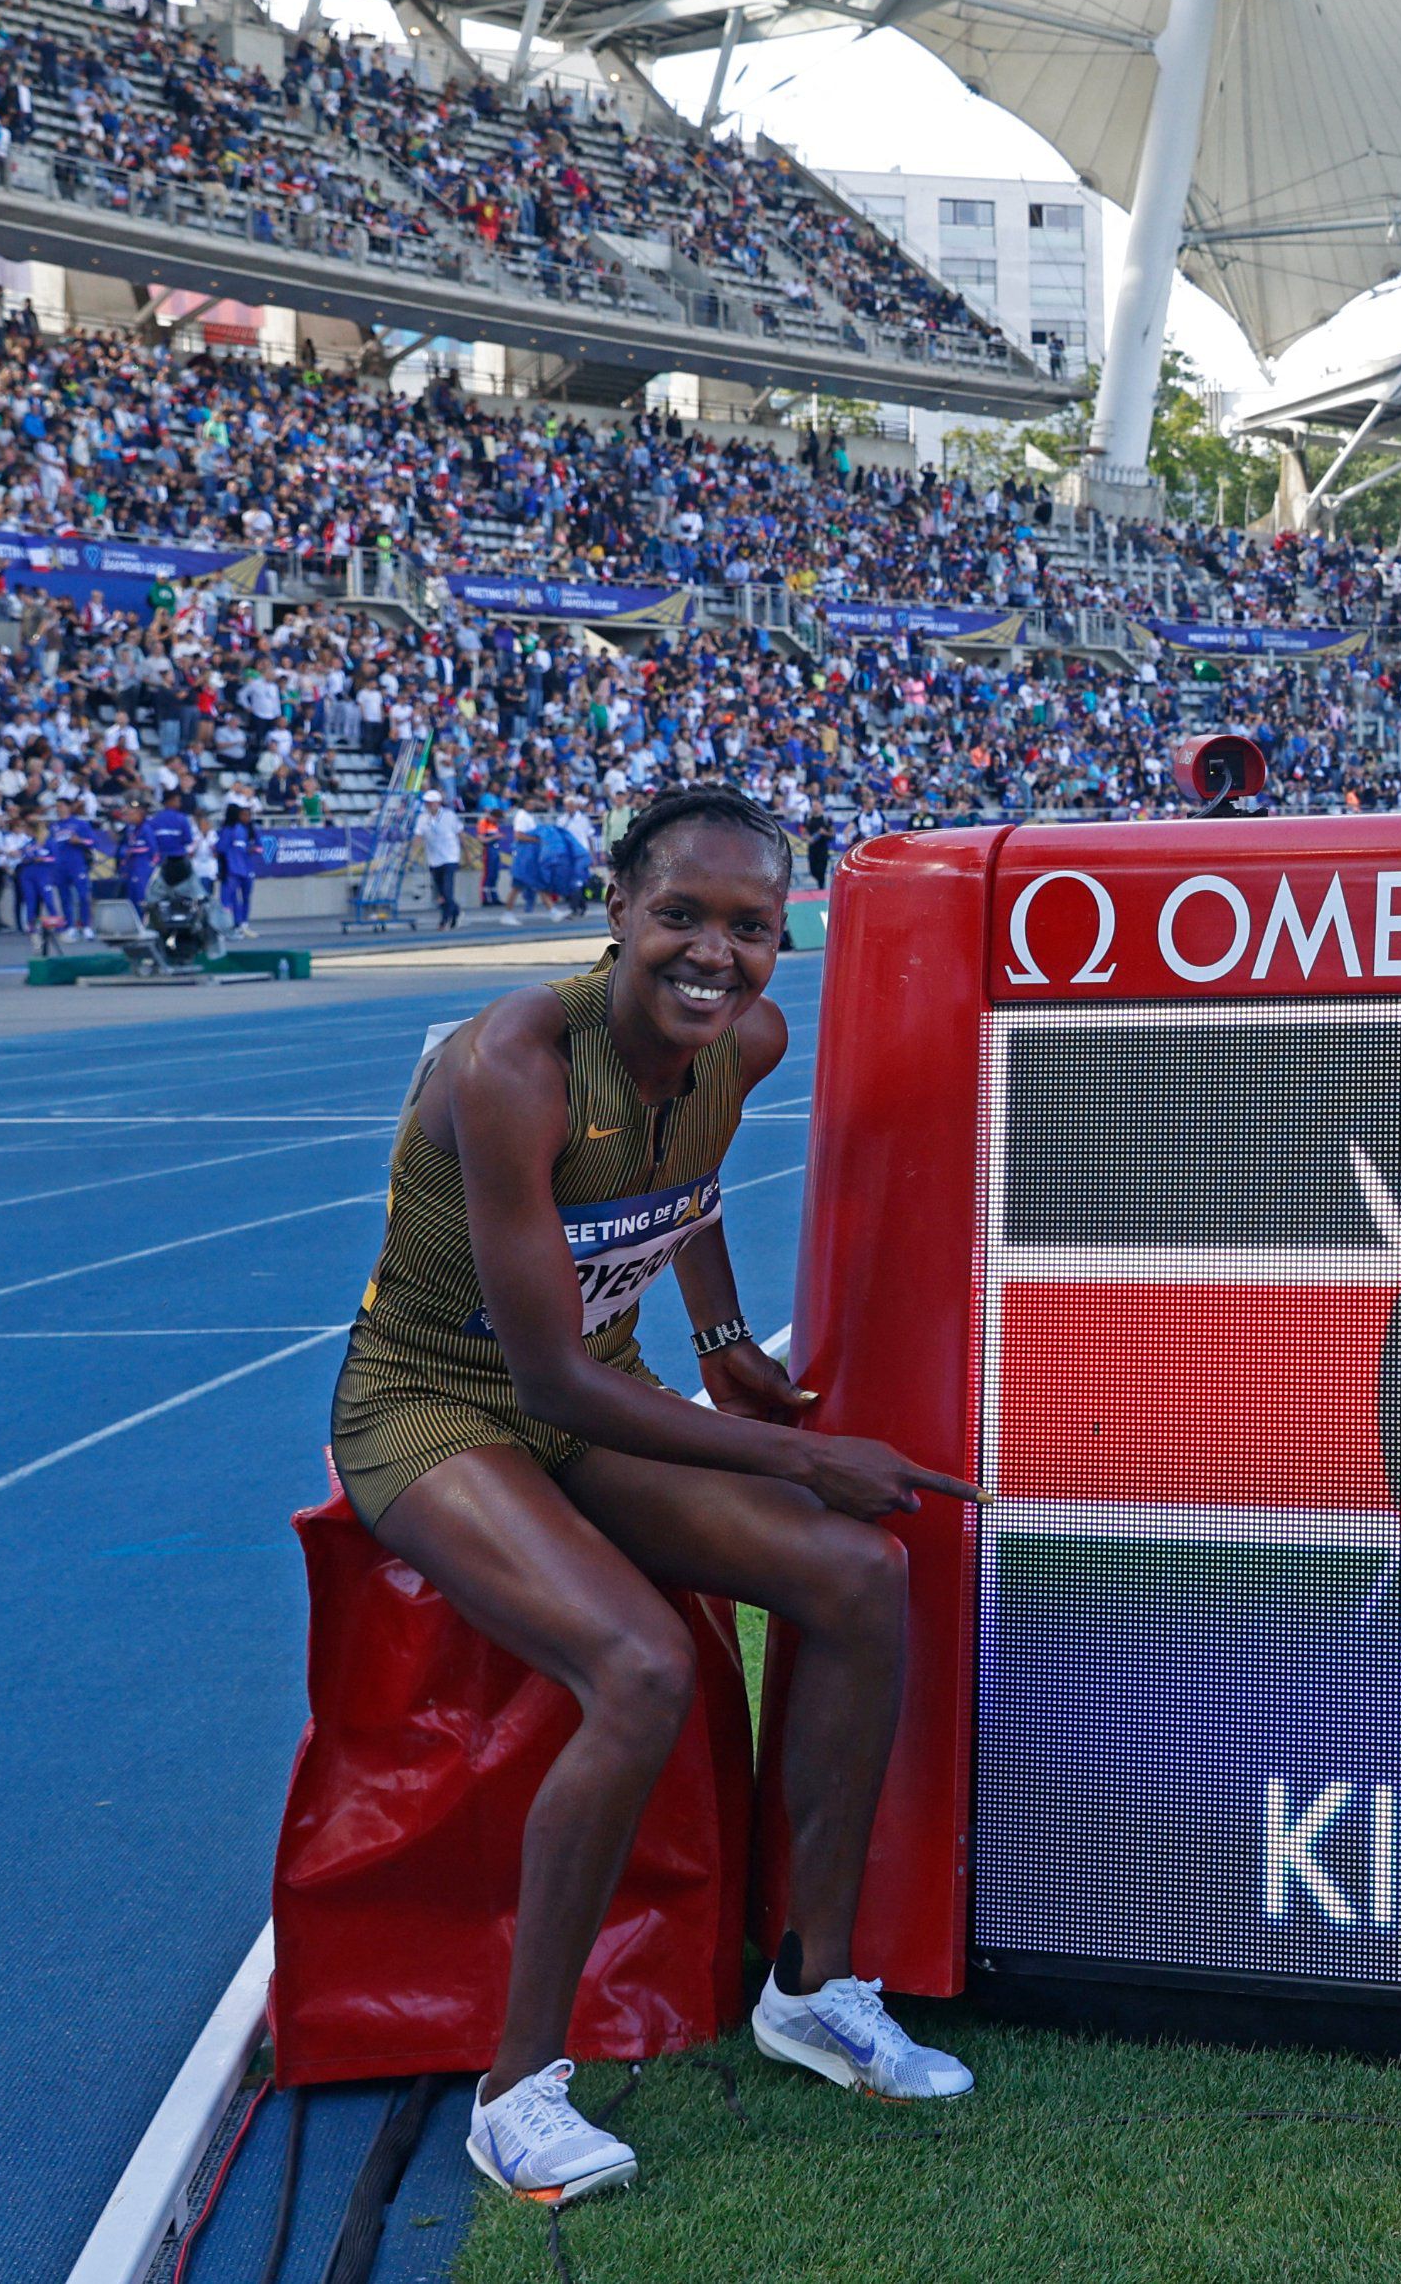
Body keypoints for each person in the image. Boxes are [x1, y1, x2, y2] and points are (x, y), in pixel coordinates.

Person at [332, 789, 976, 2209]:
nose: (714, 952)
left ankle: (811, 1986)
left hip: (596, 1385)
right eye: (680, 914)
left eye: (750, 926)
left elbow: (678, 1186)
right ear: (617, 908)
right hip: (441, 1405)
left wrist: (728, 1339)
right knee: (634, 1663)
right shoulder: (514, 1063)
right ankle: (515, 2095)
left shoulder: (745, 1039)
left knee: (861, 1579)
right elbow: (549, 1383)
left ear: (781, 942)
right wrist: (806, 1452)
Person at [416, 789, 464, 932]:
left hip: (450, 856)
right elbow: (418, 836)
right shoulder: (423, 818)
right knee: (441, 893)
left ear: (438, 802)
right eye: (427, 803)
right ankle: (456, 912)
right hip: (434, 858)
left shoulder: (449, 816)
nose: (429, 805)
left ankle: (445, 921)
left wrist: (465, 853)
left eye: (431, 802)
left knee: (447, 891)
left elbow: (460, 833)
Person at [213, 803, 261, 936]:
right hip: (235, 869)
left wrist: (252, 849)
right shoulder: (231, 830)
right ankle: (236, 925)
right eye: (243, 815)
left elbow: (259, 847)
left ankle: (240, 925)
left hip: (241, 869)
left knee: (238, 898)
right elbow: (222, 848)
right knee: (233, 899)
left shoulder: (246, 829)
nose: (246, 817)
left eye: (248, 815)